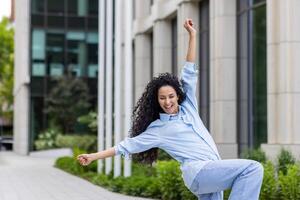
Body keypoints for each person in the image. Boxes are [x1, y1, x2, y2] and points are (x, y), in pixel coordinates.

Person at [77, 19, 263, 200]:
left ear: (178, 96)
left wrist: (192, 35)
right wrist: (93, 156)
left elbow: (188, 72)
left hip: (210, 171)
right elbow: (126, 146)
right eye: (162, 98)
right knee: (252, 169)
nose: (167, 102)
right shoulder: (158, 129)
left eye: (171, 96)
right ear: (157, 101)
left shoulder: (188, 107)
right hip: (200, 172)